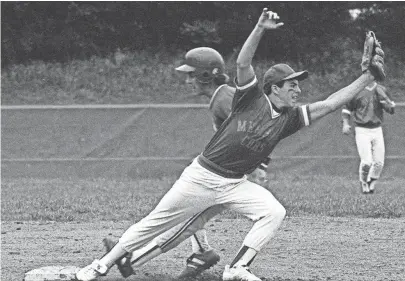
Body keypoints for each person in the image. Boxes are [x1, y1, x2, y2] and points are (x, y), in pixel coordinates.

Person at [76, 8, 385, 281]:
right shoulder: (250, 98)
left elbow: (331, 103)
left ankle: (237, 268)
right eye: (292, 85)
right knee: (153, 224)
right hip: (202, 177)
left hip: (235, 183)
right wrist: (260, 28)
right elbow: (244, 61)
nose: (297, 89)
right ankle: (100, 266)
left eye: (298, 84)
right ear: (274, 88)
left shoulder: (289, 118)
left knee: (274, 211)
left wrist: (367, 76)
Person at [102, 47, 272, 280]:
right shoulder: (221, 96)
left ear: (206, 75)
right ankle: (201, 252)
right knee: (190, 210)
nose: (188, 80)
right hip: (229, 173)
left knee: (187, 217)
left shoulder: (224, 98)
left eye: (192, 75)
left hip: (232, 178)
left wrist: (261, 166)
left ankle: (132, 258)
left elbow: (257, 127)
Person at [342, 82, 395, 193]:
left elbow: (390, 110)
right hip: (362, 129)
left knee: (379, 163)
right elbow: (347, 109)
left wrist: (390, 106)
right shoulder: (356, 91)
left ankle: (372, 182)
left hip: (377, 129)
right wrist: (345, 123)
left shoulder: (381, 89)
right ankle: (364, 182)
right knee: (366, 162)